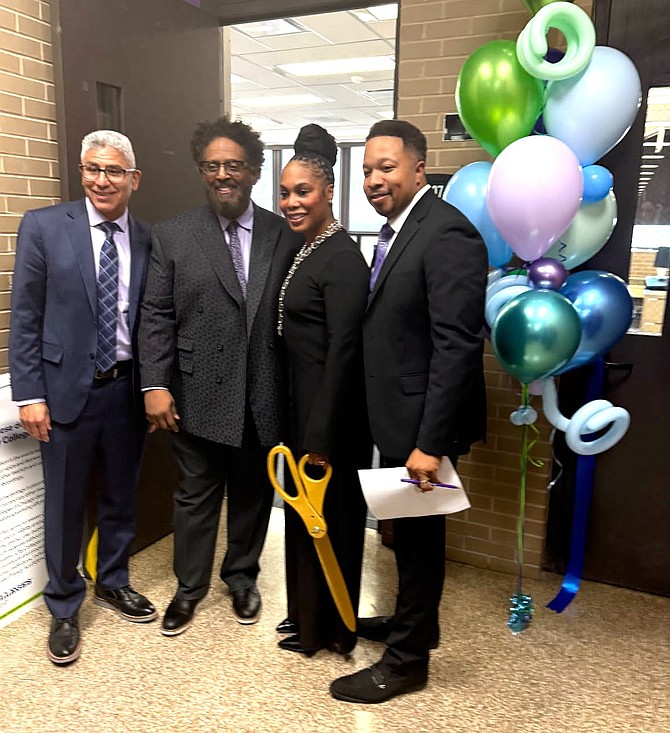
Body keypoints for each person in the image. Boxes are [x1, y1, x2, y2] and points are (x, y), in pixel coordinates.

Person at [330, 120, 488, 704]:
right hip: (396, 415)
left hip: (424, 424)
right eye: (368, 169)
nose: (374, 180)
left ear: (418, 169)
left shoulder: (446, 233)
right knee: (404, 536)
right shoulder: (397, 230)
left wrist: (430, 443)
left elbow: (456, 345)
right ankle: (414, 627)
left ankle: (406, 664)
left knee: (419, 542)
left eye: (386, 168)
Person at [138, 116, 301, 636]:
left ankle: (242, 577)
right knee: (194, 497)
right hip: (194, 391)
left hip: (262, 391)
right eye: (212, 167)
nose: (223, 175)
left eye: (233, 165)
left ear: (253, 171)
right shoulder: (172, 235)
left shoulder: (282, 233)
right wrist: (155, 384)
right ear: (202, 172)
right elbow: (156, 314)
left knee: (253, 493)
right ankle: (189, 590)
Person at [9, 130, 156, 666]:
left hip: (124, 390)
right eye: (92, 168)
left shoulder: (145, 237)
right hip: (64, 393)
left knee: (121, 496)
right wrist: (28, 392)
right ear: (81, 171)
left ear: (133, 180)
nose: (101, 180)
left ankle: (113, 581)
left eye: (113, 171)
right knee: (67, 505)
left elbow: (151, 321)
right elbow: (24, 315)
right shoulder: (45, 227)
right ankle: (65, 606)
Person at [275, 125, 370, 656]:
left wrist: (320, 431)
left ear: (329, 192)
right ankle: (304, 618)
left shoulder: (342, 259)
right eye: (285, 193)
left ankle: (331, 630)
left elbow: (345, 351)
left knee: (329, 523)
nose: (291, 202)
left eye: (302, 192)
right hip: (303, 408)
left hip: (329, 420)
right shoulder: (306, 249)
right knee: (302, 520)